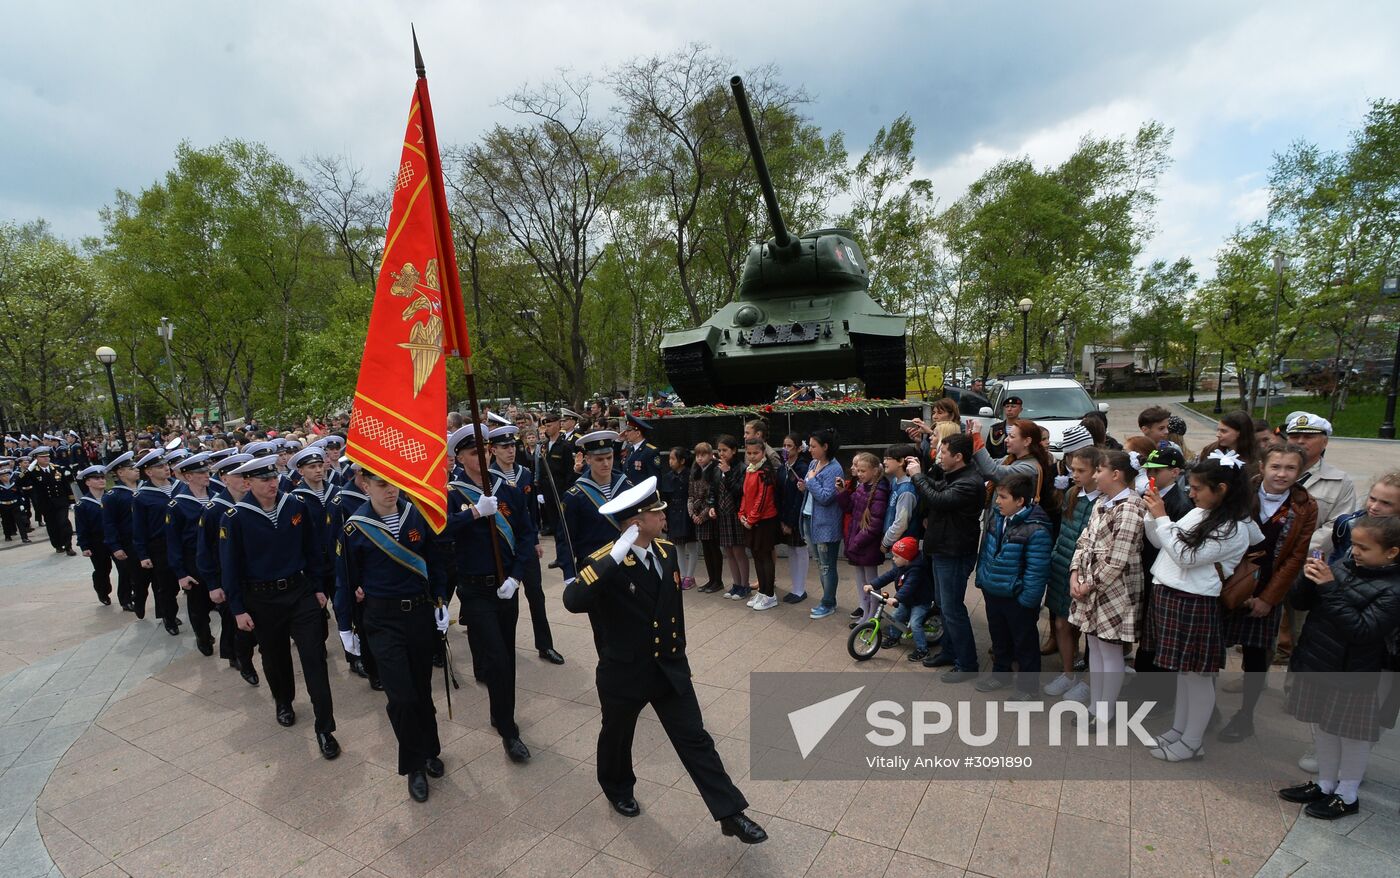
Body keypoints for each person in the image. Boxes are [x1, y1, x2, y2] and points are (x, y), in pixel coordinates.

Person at [562, 477, 767, 844]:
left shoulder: (666, 550)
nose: (664, 516)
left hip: (668, 667)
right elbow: (574, 601)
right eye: (657, 512)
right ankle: (617, 787)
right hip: (625, 671)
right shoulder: (605, 562)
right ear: (637, 523)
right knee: (617, 736)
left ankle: (730, 812)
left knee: (695, 739)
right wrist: (614, 552)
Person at [1278, 514, 1400, 819]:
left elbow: (1363, 630)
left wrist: (1329, 588)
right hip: (1320, 661)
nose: (1354, 551)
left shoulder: (1394, 589)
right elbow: (1306, 603)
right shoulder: (1344, 565)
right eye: (1354, 545)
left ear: (1392, 552)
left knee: (1353, 736)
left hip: (1354, 673)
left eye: (1363, 547)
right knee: (1323, 727)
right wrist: (1306, 580)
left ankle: (1347, 794)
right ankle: (1325, 784)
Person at [339, 469, 450, 802]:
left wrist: (441, 600)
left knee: (421, 689)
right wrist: (346, 625)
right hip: (382, 619)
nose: (391, 491)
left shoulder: (417, 513)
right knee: (400, 696)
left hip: (418, 613)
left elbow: (437, 560)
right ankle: (413, 764)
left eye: (395, 483)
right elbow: (345, 578)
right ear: (365, 484)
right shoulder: (355, 527)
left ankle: (430, 749)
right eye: (382, 484)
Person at [218, 455, 339, 758]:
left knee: (314, 658)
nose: (272, 484)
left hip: (300, 593)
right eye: (263, 480)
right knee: (275, 658)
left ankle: (325, 728)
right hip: (261, 599)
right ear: (247, 483)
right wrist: (238, 609)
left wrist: (318, 588)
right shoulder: (234, 517)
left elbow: (312, 549)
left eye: (273, 477)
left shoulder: (294, 505)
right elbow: (229, 566)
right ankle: (283, 700)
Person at [1140, 451, 1253, 761]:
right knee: (1182, 673)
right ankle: (1180, 730)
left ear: (1222, 489)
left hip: (1195, 600)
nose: (1190, 493)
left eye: (1197, 488)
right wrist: (1154, 516)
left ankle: (1192, 741)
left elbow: (1186, 556)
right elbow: (1163, 542)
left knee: (1197, 676)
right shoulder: (1199, 513)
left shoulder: (1235, 527)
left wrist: (1162, 517)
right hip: (1172, 595)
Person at [1217, 443, 1318, 744]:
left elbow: (1295, 558)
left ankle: (1245, 715)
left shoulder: (1305, 505)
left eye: (1290, 468)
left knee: (1256, 653)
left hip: (1268, 586)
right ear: (1261, 467)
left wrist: (1268, 598)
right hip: (1229, 582)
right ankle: (1206, 708)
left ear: (1300, 472)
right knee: (1211, 647)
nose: (1282, 474)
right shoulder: (1241, 493)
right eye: (1276, 466)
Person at [445, 423, 533, 763]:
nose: (480, 457)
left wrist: (516, 576)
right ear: (460, 458)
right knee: (495, 655)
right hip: (475, 589)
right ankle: (510, 731)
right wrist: (474, 512)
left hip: (505, 587)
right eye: (472, 452)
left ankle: (501, 713)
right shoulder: (453, 492)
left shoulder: (506, 488)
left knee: (506, 657)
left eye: (483, 450)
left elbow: (526, 533)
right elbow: (440, 527)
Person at [1069, 450, 1148, 728]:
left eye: (1099, 470)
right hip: (1091, 586)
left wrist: (1088, 585)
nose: (1094, 475)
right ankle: (1094, 705)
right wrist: (1075, 574)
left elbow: (1118, 558)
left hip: (1115, 590)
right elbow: (1084, 540)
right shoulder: (1102, 501)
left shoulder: (1130, 507)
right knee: (1094, 645)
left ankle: (1106, 712)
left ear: (1116, 474)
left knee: (1110, 650)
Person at [907, 433, 984, 680]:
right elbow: (935, 487)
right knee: (944, 605)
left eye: (944, 452)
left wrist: (917, 476)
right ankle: (950, 652)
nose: (940, 455)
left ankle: (967, 664)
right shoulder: (953, 475)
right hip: (942, 549)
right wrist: (923, 471)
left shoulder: (970, 481)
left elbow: (938, 499)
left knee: (952, 609)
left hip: (954, 552)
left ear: (958, 457)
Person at [488, 425, 563, 665]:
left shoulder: (524, 473)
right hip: (502, 549)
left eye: (513, 446)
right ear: (493, 450)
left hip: (526, 546)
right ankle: (505, 650)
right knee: (508, 603)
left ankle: (545, 645)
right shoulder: (487, 479)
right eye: (504, 447)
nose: (510, 451)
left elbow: (531, 512)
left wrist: (535, 541)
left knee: (536, 597)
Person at [974, 473, 1052, 696]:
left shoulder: (1036, 529)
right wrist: (982, 579)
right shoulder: (997, 518)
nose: (997, 501)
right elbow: (986, 552)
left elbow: (1037, 570)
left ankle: (1028, 689)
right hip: (993, 590)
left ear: (1020, 501)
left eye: (1003, 497)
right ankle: (1001, 675)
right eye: (998, 496)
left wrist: (1027, 600)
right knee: (999, 638)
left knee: (1025, 644)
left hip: (1017, 598)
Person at [1044, 446, 1102, 702]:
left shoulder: (1104, 501)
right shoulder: (1072, 493)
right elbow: (1064, 530)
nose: (1075, 475)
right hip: (1062, 565)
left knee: (1091, 631)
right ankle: (1068, 673)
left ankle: (1089, 681)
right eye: (1072, 469)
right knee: (1060, 623)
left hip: (1088, 574)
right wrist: (1057, 556)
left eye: (1082, 470)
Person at [199, 453, 258, 686]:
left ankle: (236, 652)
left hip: (255, 575)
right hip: (228, 576)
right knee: (235, 622)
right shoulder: (214, 509)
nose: (245, 479)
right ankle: (244, 661)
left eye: (247, 474)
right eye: (238, 475)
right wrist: (213, 584)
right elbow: (204, 550)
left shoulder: (256, 502)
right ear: (224, 478)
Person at [557, 430, 631, 588]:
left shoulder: (626, 485)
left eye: (609, 458)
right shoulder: (575, 495)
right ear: (588, 459)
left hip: (627, 562)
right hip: (594, 565)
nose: (606, 463)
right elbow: (566, 537)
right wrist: (569, 574)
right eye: (599, 459)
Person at [329, 462, 378, 688]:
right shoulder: (341, 501)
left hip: (380, 571)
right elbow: (337, 546)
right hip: (356, 572)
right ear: (358, 473)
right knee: (360, 621)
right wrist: (352, 582)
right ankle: (364, 663)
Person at [166, 454, 218, 656]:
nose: (207, 475)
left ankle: (233, 653)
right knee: (199, 606)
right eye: (201, 472)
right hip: (193, 560)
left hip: (217, 559)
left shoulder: (217, 496)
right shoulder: (178, 505)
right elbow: (174, 543)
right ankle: (203, 636)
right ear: (188, 477)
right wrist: (180, 573)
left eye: (207, 471)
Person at [836, 452, 891, 627]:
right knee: (861, 580)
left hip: (867, 544)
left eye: (863, 471)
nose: (859, 474)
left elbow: (874, 524)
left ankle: (873, 615)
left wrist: (856, 542)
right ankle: (866, 612)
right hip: (858, 542)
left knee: (871, 582)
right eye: (858, 470)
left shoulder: (879, 490)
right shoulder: (863, 487)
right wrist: (842, 492)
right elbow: (850, 507)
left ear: (875, 471)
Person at [132, 449, 181, 634]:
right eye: (159, 467)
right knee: (167, 585)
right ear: (149, 472)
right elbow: (139, 528)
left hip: (183, 543)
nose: (166, 469)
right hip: (160, 545)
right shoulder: (142, 496)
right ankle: (169, 617)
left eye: (166, 465)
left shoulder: (180, 487)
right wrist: (143, 554)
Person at [863, 536, 934, 659]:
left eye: (896, 556)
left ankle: (923, 650)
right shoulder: (901, 566)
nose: (893, 559)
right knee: (896, 617)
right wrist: (873, 585)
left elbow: (909, 586)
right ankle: (894, 637)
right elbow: (888, 575)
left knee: (915, 624)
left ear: (907, 558)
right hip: (907, 600)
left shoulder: (916, 570)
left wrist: (896, 598)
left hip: (920, 601)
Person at [801, 428, 845, 620]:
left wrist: (810, 482)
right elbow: (810, 486)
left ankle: (828, 602)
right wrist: (804, 485)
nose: (810, 449)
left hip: (826, 524)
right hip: (809, 519)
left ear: (825, 447)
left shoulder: (835, 468)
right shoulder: (814, 462)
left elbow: (827, 497)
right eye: (809, 446)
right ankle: (827, 600)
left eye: (813, 446)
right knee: (819, 563)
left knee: (827, 565)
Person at [738, 436, 780, 610]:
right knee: (756, 555)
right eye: (749, 453)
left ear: (763, 452)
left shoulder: (765, 471)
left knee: (765, 556)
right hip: (751, 519)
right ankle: (762, 591)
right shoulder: (750, 469)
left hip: (765, 520)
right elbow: (746, 495)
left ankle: (770, 594)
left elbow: (762, 499)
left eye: (756, 453)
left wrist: (752, 519)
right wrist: (741, 513)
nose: (752, 456)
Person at [1324, 471, 1400, 563]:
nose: (1374, 507)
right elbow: (1337, 556)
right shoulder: (1347, 524)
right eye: (1372, 499)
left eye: (1386, 503)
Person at [713, 435, 750, 600]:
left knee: (738, 551)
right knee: (728, 551)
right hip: (723, 514)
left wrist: (727, 473)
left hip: (736, 514)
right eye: (719, 450)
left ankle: (745, 585)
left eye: (725, 450)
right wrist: (712, 507)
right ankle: (736, 584)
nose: (721, 453)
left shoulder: (741, 468)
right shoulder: (717, 469)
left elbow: (739, 491)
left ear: (734, 451)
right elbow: (713, 491)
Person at [102, 452, 140, 611]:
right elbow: (109, 524)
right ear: (120, 472)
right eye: (131, 468)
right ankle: (125, 599)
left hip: (143, 540)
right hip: (126, 541)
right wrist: (115, 546)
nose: (136, 470)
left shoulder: (144, 488)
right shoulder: (113, 496)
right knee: (126, 572)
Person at [776, 432, 811, 604]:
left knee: (800, 550)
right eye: (784, 445)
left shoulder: (802, 468)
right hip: (784, 515)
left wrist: (790, 521)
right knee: (791, 550)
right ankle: (795, 587)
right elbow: (780, 494)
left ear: (798, 449)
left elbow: (799, 498)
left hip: (796, 516)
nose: (786, 449)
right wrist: (782, 519)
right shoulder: (783, 467)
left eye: (790, 446)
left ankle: (800, 589)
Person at [21, 446, 75, 555]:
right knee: (52, 526)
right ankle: (58, 545)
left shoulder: (56, 468)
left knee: (64, 523)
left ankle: (68, 546)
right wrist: (28, 470)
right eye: (42, 457)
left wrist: (72, 501)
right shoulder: (33, 472)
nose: (46, 459)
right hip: (46, 504)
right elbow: (20, 483)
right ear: (36, 459)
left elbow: (66, 486)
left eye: (47, 456)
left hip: (61, 502)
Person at [74, 465, 113, 605]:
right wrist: (84, 546)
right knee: (103, 569)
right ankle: (103, 592)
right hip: (97, 542)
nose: (101, 480)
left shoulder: (111, 497)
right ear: (87, 482)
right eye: (96, 478)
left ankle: (126, 598)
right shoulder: (83, 505)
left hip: (115, 539)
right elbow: (82, 527)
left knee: (125, 568)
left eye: (102, 477)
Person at [688, 442, 724, 593]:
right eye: (697, 455)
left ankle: (718, 580)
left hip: (710, 515)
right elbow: (690, 494)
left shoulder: (715, 471)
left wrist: (703, 516)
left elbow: (712, 496)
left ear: (710, 455)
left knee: (714, 548)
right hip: (697, 514)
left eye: (703, 455)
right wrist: (692, 514)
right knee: (706, 549)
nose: (700, 458)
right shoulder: (695, 470)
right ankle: (710, 579)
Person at [662, 446, 698, 590]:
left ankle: (690, 576)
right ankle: (683, 575)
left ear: (682, 461)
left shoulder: (691, 475)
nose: (670, 461)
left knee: (692, 545)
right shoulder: (668, 477)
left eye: (672, 458)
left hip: (687, 513)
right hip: (673, 514)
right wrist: (664, 516)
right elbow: (665, 498)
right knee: (678, 546)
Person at [1197, 411, 1259, 478]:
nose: (1217, 435)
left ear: (1239, 433)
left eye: (1223, 431)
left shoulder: (1256, 458)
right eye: (1218, 430)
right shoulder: (1210, 451)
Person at [620, 414, 664, 485]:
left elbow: (655, 479)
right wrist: (618, 441)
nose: (625, 433)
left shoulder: (650, 451)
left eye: (628, 431)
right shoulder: (629, 448)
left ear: (638, 433)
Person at [985, 396, 1022, 460]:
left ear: (1020, 410)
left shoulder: (1025, 428)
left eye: (1013, 406)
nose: (1009, 409)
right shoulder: (995, 428)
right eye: (1007, 406)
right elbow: (989, 451)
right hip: (998, 465)